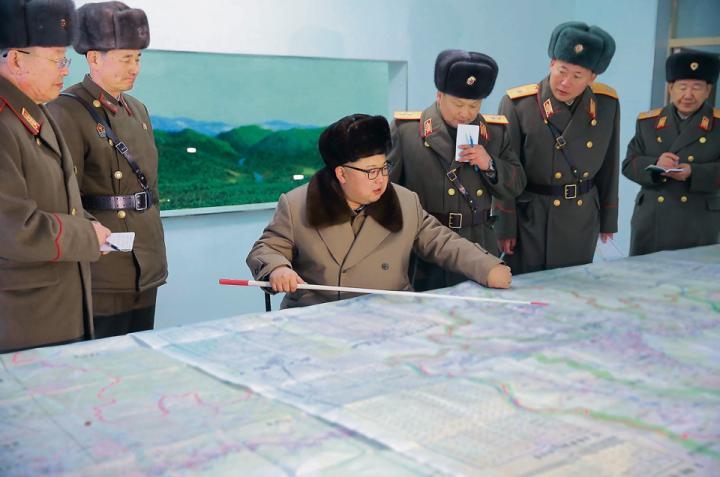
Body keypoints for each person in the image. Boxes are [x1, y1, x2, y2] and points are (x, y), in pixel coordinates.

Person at [247, 114, 512, 308]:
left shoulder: (404, 201)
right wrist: (278, 269)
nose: (381, 179)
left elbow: (444, 243)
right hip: (318, 316)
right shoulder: (297, 204)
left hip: (390, 314)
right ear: (341, 173)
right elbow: (266, 248)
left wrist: (488, 267)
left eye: (384, 168)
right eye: (371, 171)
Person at [47, 2, 167, 338]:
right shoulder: (66, 111)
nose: (135, 68)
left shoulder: (137, 110)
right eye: (126, 58)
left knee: (141, 349)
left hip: (146, 260)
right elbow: (63, 196)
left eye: (138, 58)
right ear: (94, 58)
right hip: (103, 267)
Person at [0, 0, 111, 352]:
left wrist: (90, 224)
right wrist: (86, 234)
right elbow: (12, 228)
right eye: (57, 59)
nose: (65, 70)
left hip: (56, 308)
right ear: (16, 60)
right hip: (23, 320)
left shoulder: (35, 112)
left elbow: (61, 199)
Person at [389, 49, 525, 291]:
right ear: (439, 95)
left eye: (474, 105)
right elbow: (387, 193)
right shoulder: (407, 131)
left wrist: (490, 164)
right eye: (458, 104)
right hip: (426, 247)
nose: (465, 113)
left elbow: (517, 185)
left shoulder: (495, 133)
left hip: (479, 244)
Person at [495, 22, 620, 274]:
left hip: (581, 217)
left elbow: (610, 164)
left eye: (577, 76)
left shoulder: (607, 104)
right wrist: (505, 225)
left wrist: (608, 218)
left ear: (592, 77)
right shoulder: (518, 105)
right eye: (561, 71)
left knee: (574, 284)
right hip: (532, 219)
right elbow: (506, 171)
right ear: (552, 63)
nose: (565, 82)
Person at [623, 50, 720, 255]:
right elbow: (629, 165)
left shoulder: (717, 124)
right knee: (645, 273)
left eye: (696, 88)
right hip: (652, 222)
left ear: (708, 90)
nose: (688, 95)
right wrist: (656, 164)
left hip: (699, 221)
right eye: (682, 87)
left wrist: (693, 172)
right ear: (670, 88)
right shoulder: (648, 122)